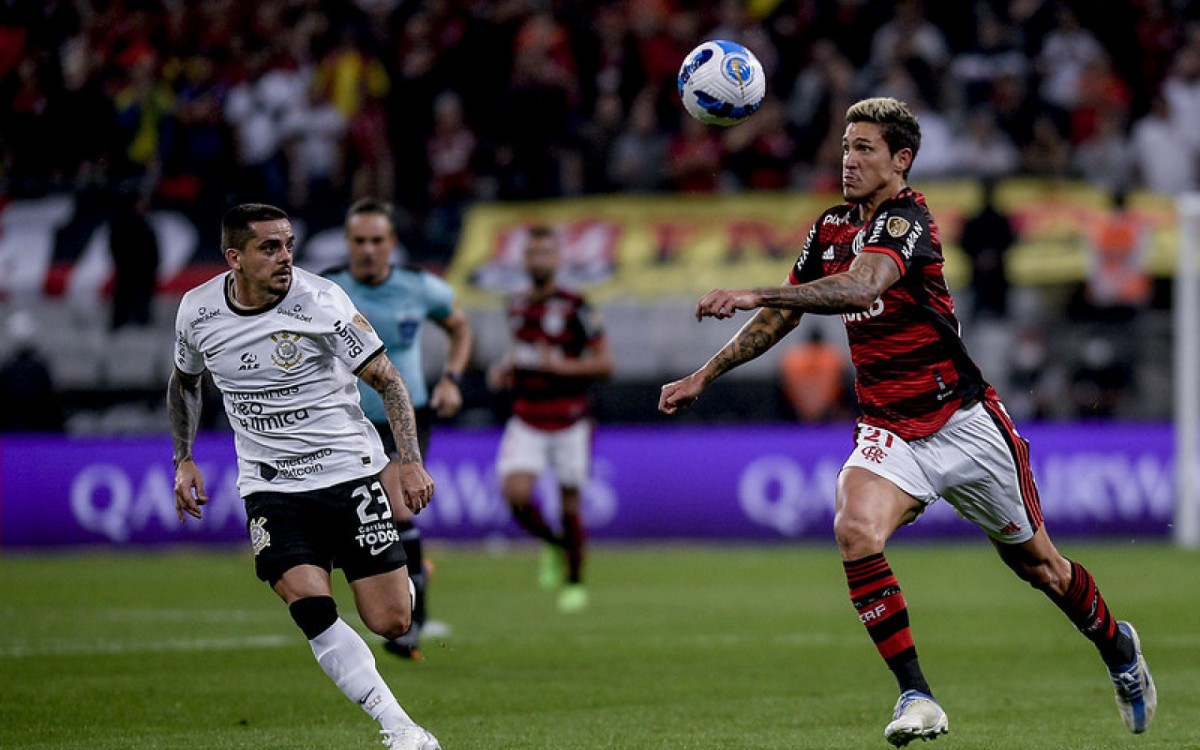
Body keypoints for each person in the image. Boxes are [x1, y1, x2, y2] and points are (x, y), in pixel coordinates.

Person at [658, 98, 1155, 747]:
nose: (850, 159)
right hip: (889, 429)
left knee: (1042, 569)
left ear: (901, 160)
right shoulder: (831, 226)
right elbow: (786, 315)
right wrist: (706, 374)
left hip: (962, 421)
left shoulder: (907, 220)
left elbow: (860, 289)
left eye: (865, 148)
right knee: (855, 529)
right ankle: (916, 695)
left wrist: (753, 289)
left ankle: (1118, 647)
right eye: (845, 146)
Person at [168, 204, 441, 750]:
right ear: (234, 258)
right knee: (311, 609)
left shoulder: (321, 302)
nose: (285, 257)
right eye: (269, 248)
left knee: (391, 622)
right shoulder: (196, 312)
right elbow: (185, 383)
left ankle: (410, 576)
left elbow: (387, 381)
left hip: (347, 474)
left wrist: (408, 460)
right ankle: (400, 727)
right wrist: (184, 458)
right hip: (272, 488)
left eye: (289, 244)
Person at [324, 197, 473, 660]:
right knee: (351, 524)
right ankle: (411, 580)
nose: (368, 250)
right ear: (348, 243)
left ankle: (411, 619)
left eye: (377, 240)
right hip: (341, 422)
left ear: (392, 243)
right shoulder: (326, 290)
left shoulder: (419, 287)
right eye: (359, 241)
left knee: (397, 510)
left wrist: (452, 378)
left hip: (402, 419)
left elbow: (460, 329)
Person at [486, 225, 613, 613]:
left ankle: (575, 580)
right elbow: (521, 352)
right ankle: (555, 546)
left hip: (570, 419)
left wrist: (559, 366)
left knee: (570, 503)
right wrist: (504, 367)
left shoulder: (577, 306)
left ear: (557, 259)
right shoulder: (517, 305)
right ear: (524, 260)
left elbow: (605, 364)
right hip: (527, 416)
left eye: (546, 253)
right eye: (532, 253)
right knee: (516, 495)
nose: (539, 260)